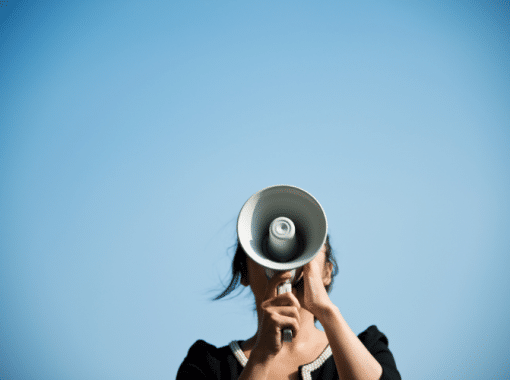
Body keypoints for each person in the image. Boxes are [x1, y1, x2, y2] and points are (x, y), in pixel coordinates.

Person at [177, 235, 401, 380]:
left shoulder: (368, 349)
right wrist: (261, 356)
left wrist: (326, 312)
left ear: (327, 271)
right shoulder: (207, 366)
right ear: (244, 272)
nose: (285, 260)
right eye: (265, 250)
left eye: (305, 250)